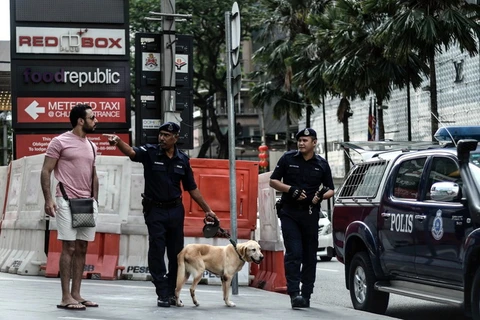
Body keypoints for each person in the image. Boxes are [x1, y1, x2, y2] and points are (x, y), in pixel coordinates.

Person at [103, 121, 217, 308]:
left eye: (166, 135)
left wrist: (208, 210)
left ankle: (173, 291)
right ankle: (162, 292)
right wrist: (117, 142)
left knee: (176, 254)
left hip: (175, 210)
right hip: (155, 210)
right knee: (156, 249)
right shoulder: (150, 152)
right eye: (161, 134)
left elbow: (192, 188)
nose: (162, 138)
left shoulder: (183, 160)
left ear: (176, 138)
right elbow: (132, 152)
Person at [40, 104, 99, 310]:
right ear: (80, 121)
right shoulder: (59, 142)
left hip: (86, 202)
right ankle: (65, 296)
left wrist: (95, 201)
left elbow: (93, 174)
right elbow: (46, 170)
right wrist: (49, 199)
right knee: (69, 247)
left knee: (82, 247)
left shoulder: (92, 145)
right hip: (65, 200)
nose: (96, 120)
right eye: (92, 117)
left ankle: (76, 293)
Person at [269, 128, 335, 309]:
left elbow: (330, 188)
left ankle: (306, 294)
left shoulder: (321, 164)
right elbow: (273, 181)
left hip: (310, 214)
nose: (301, 143)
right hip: (289, 212)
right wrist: (291, 189)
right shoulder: (288, 159)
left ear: (314, 142)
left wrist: (321, 196)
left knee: (309, 256)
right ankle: (294, 294)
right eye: (299, 140)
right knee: (294, 252)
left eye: (305, 140)